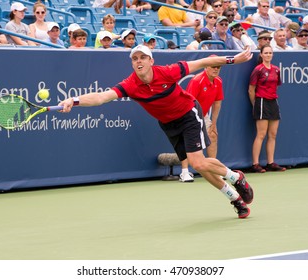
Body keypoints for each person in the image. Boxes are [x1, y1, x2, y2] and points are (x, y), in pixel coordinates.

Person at [58, 45, 254, 219]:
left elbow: (203, 62)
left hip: (188, 113)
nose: (138, 61)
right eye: (135, 59)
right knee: (201, 166)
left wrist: (233, 59)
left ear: (151, 61)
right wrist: (73, 101)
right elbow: (101, 97)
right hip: (169, 124)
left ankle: (236, 177)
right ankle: (235, 197)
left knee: (197, 162)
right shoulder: (130, 85)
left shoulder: (169, 72)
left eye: (143, 57)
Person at [179, 56, 224, 182]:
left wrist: (213, 124)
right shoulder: (197, 81)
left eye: (218, 67)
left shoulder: (218, 81)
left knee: (213, 135)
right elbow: (189, 102)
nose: (216, 69)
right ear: (206, 67)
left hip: (202, 114)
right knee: (187, 140)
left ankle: (213, 170)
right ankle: (184, 172)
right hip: (187, 113)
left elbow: (217, 103)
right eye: (213, 66)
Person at [248, 44, 286, 173]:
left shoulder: (276, 70)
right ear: (261, 55)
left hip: (273, 102)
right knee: (261, 134)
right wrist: (256, 104)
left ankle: (270, 163)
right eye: (266, 53)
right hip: (261, 102)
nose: (268, 55)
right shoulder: (258, 70)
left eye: (270, 53)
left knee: (273, 134)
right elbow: (251, 89)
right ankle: (255, 164)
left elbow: (276, 85)